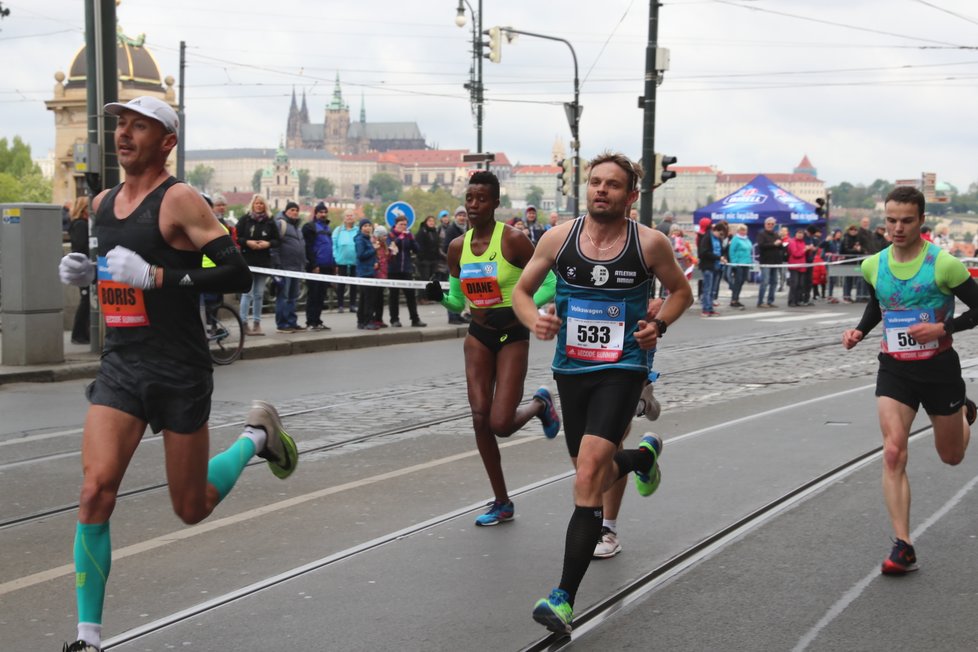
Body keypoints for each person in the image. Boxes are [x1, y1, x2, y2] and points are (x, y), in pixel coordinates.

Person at [56, 96, 298, 652]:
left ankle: (257, 437)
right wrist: (85, 273)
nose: (124, 135)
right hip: (122, 363)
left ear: (167, 142)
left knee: (190, 507)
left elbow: (234, 273)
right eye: (120, 125)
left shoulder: (179, 199)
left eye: (139, 127)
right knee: (95, 491)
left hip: (178, 367)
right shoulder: (100, 205)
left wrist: (158, 275)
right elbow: (116, 274)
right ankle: (87, 638)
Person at [512, 151, 693, 634]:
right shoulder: (558, 238)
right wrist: (537, 320)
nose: (601, 190)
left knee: (589, 471)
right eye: (595, 182)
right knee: (588, 468)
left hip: (624, 367)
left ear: (631, 196)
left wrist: (657, 323)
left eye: (613, 185)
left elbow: (681, 293)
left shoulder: (649, 244)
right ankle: (640, 461)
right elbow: (522, 292)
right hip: (571, 370)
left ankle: (563, 598)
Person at [841, 186, 978, 576]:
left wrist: (942, 328)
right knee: (893, 452)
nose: (897, 228)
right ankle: (904, 545)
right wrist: (859, 331)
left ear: (921, 221)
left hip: (939, 371)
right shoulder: (874, 264)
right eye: (891, 220)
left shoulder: (943, 264)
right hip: (895, 368)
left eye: (906, 220)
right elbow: (878, 303)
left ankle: (965, 413)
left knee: (951, 457)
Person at [424, 170, 560, 527]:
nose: (473, 205)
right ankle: (502, 501)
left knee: (501, 423)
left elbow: (550, 283)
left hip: (513, 334)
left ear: (495, 203)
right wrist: (440, 297)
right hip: (479, 335)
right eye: (469, 198)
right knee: (480, 417)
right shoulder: (457, 248)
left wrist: (518, 304)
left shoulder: (513, 241)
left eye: (481, 199)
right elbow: (458, 301)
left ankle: (540, 404)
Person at [236, 194, 280, 335]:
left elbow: (277, 240)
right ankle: (243, 323)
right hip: (248, 261)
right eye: (257, 203)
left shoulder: (270, 221)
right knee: (247, 293)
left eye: (261, 203)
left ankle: (257, 323)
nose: (259, 206)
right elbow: (237, 237)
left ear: (265, 205)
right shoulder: (245, 219)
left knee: (259, 294)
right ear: (252, 205)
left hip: (263, 261)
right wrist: (248, 242)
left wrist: (268, 244)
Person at [387, 214, 426, 327]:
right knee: (393, 296)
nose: (403, 226)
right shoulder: (391, 235)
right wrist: (400, 238)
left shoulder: (408, 236)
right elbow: (391, 248)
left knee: (410, 295)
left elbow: (417, 250)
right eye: (401, 224)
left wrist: (412, 240)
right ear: (396, 224)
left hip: (406, 269)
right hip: (393, 270)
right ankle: (394, 319)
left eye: (405, 224)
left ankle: (415, 319)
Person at [273, 201, 306, 333]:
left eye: (296, 210)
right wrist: (277, 265)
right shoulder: (281, 224)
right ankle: (282, 324)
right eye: (292, 210)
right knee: (284, 296)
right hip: (284, 267)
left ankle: (292, 322)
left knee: (293, 296)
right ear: (286, 211)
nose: (295, 212)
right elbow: (274, 246)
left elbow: (301, 247)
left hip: (297, 268)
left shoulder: (298, 229)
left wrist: (304, 263)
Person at [302, 201, 333, 331]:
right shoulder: (310, 227)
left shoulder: (327, 228)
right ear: (315, 214)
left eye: (325, 212)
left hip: (327, 265)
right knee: (313, 294)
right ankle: (311, 322)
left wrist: (334, 264)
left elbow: (330, 247)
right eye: (321, 212)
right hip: (316, 266)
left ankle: (318, 320)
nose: (323, 214)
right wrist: (314, 265)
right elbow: (308, 248)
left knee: (321, 295)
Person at [67, 196, 92, 345]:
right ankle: (78, 334)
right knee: (86, 301)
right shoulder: (81, 225)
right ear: (84, 210)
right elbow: (82, 246)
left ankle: (83, 334)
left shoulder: (77, 224)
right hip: (82, 268)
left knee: (87, 300)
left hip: (80, 267)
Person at [441, 206, 469, 324]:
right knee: (453, 291)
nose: (462, 218)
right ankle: (452, 316)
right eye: (459, 215)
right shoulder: (451, 229)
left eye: (463, 215)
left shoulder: (467, 228)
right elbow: (446, 247)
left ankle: (458, 314)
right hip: (454, 265)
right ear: (455, 217)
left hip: (465, 265)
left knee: (461, 291)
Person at [354, 219, 381, 330]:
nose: (367, 228)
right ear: (361, 228)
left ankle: (361, 321)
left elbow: (371, 256)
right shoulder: (360, 240)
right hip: (364, 272)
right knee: (368, 298)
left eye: (369, 226)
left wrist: (375, 262)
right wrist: (373, 249)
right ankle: (368, 321)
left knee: (364, 298)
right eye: (365, 226)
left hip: (370, 270)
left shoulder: (368, 239)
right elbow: (361, 255)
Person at [332, 210, 359, 313]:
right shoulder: (338, 230)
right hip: (341, 261)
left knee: (354, 285)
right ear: (344, 218)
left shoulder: (357, 230)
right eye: (347, 216)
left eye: (351, 216)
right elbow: (334, 245)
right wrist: (336, 258)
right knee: (341, 285)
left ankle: (352, 305)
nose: (349, 217)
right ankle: (340, 305)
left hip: (355, 262)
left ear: (354, 218)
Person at [755, 217, 782, 308]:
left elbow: (779, 247)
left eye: (772, 224)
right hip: (765, 261)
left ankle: (770, 301)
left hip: (775, 261)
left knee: (774, 282)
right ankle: (760, 301)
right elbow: (761, 245)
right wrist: (774, 244)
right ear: (765, 224)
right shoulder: (761, 234)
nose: (770, 225)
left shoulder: (776, 234)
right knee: (765, 282)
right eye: (768, 224)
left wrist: (781, 244)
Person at [698, 222, 723, 316]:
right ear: (715, 230)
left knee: (713, 289)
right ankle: (705, 309)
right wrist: (718, 257)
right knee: (707, 289)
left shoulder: (718, 239)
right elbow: (703, 252)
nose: (721, 236)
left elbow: (720, 250)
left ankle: (710, 308)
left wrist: (721, 257)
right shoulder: (707, 237)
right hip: (708, 266)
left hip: (716, 266)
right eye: (720, 234)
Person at [786, 228, 814, 307]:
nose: (800, 234)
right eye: (798, 233)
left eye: (801, 233)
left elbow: (805, 254)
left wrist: (809, 250)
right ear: (795, 234)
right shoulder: (792, 242)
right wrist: (805, 249)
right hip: (794, 266)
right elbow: (795, 254)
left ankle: (798, 300)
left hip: (802, 266)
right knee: (794, 284)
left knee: (801, 285)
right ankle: (791, 301)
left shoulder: (803, 242)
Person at [727, 223, 752, 309]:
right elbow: (731, 251)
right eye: (742, 230)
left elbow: (749, 250)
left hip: (746, 263)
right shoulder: (736, 239)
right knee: (738, 282)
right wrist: (734, 263)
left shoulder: (746, 239)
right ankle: (734, 299)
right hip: (738, 263)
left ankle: (736, 298)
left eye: (745, 230)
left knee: (741, 282)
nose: (744, 231)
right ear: (739, 231)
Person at [415, 214, 442, 290]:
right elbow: (419, 246)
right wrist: (422, 257)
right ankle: (422, 297)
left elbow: (437, 245)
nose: (431, 222)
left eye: (433, 221)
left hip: (433, 260)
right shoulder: (422, 232)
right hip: (424, 260)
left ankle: (429, 296)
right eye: (430, 221)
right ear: (426, 222)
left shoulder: (435, 232)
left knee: (432, 278)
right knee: (424, 278)